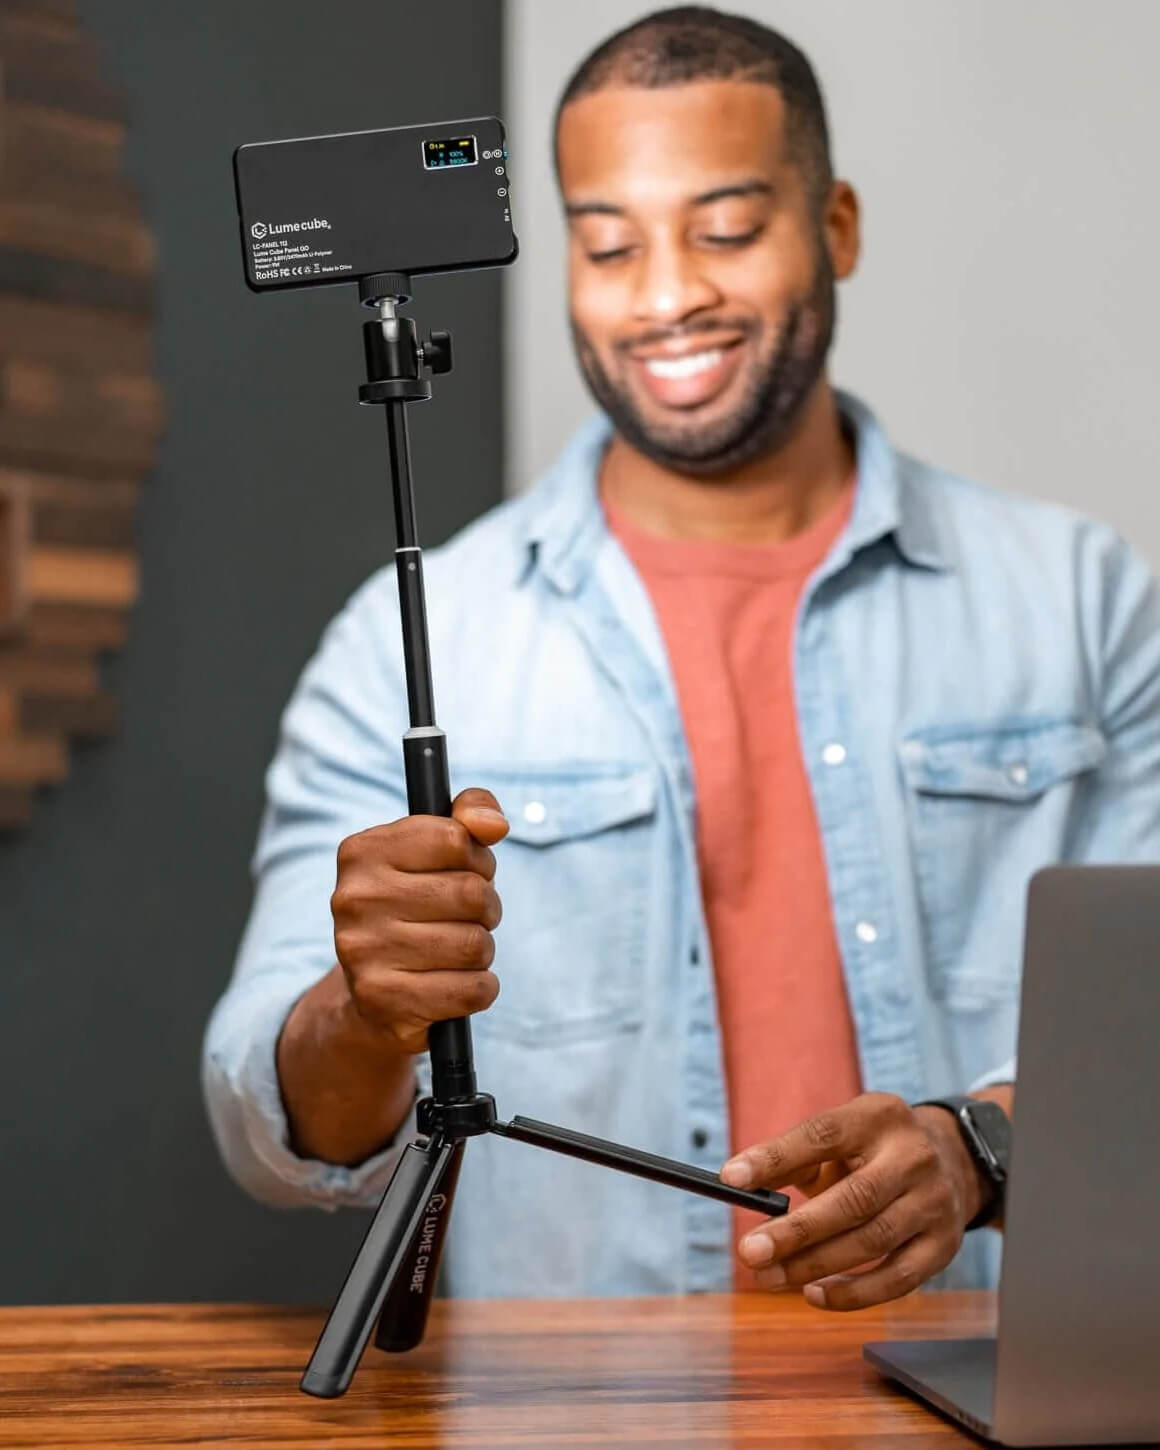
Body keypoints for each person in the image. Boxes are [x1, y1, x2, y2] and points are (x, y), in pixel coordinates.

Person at [202, 6, 1160, 1309]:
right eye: (608, 245)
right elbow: (269, 1127)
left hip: (966, 1383)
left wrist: (985, 1142)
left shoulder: (1079, 598)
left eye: (724, 230)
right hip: (581, 1411)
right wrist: (367, 1010)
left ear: (836, 229)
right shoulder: (410, 639)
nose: (666, 295)